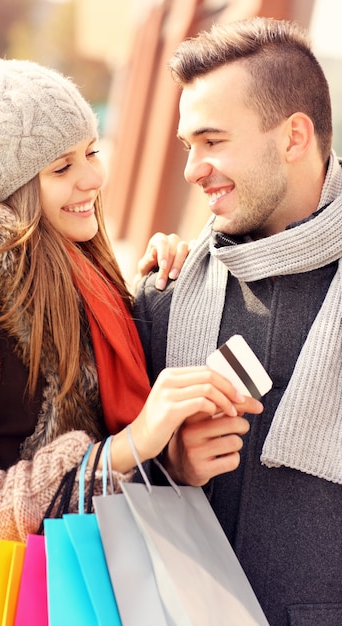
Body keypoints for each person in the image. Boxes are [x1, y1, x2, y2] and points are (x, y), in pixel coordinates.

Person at [0, 59, 262, 625]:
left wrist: (154, 295)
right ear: (15, 187)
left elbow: (99, 421)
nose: (94, 178)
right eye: (62, 167)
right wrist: (123, 449)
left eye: (91, 151)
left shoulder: (79, 266)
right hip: (4, 606)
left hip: (88, 590)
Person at [134, 16, 342, 626]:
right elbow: (100, 459)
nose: (191, 168)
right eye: (186, 146)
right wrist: (168, 464)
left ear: (295, 137)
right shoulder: (165, 291)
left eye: (213, 140)